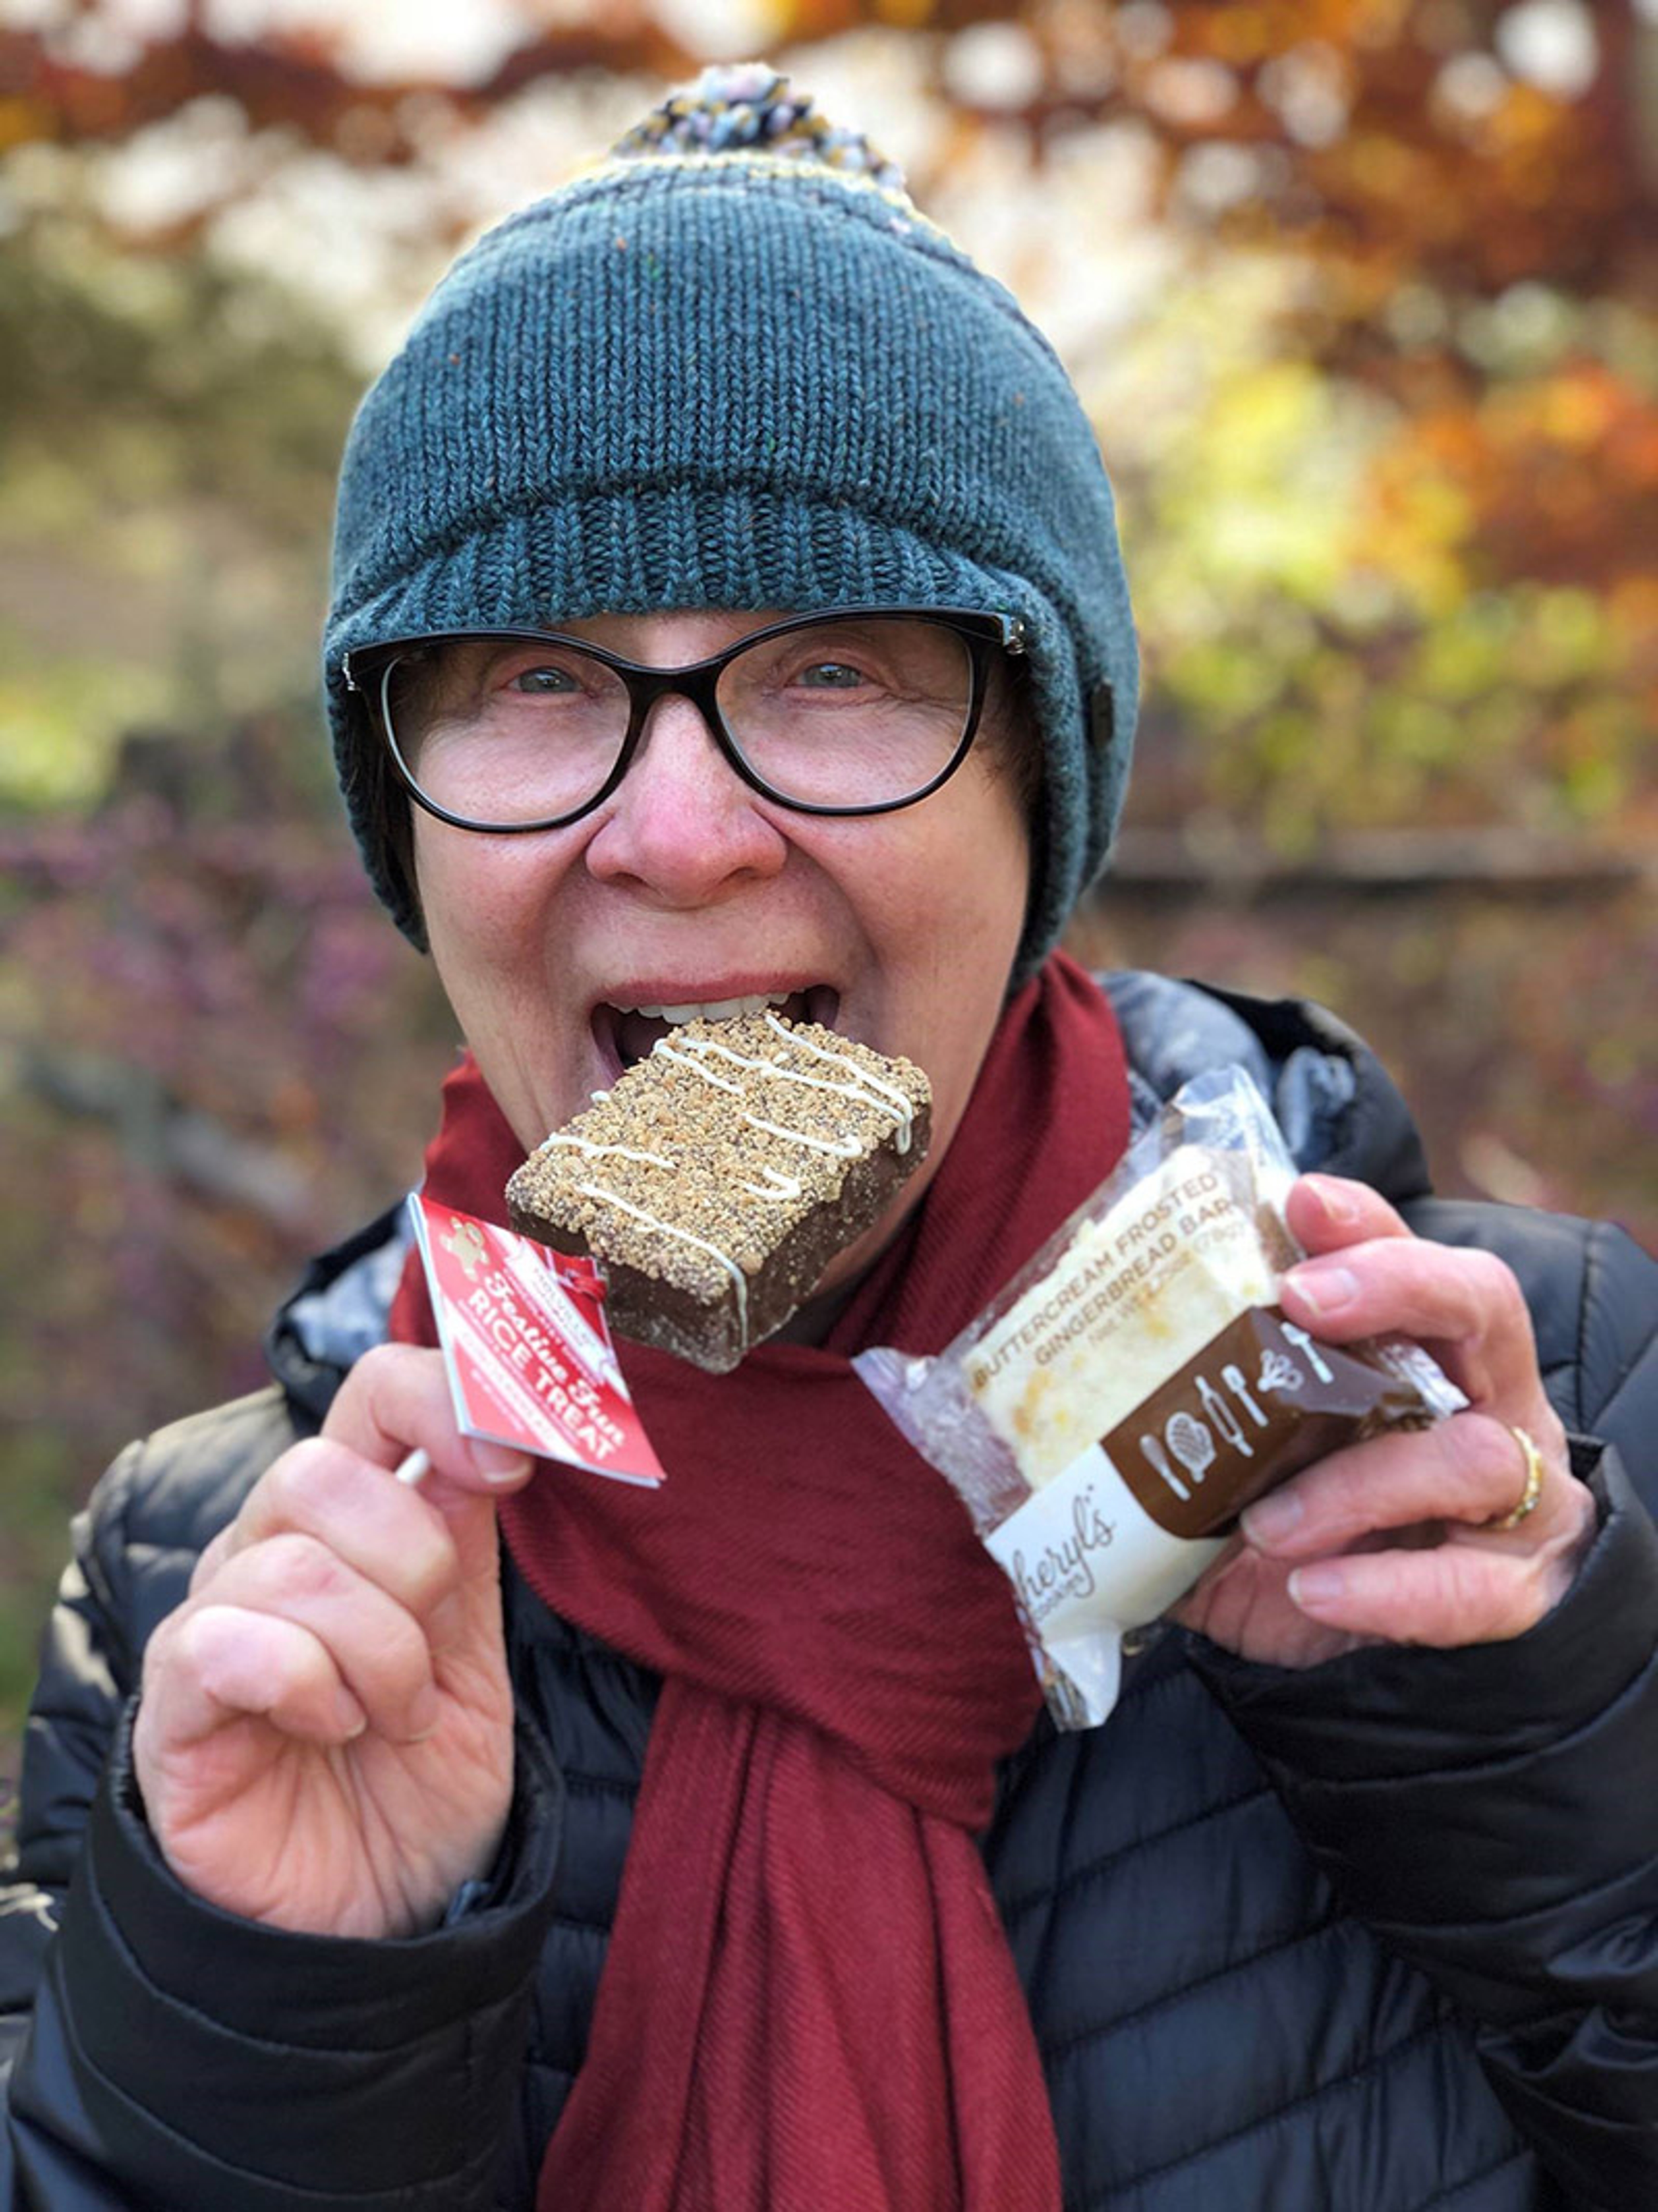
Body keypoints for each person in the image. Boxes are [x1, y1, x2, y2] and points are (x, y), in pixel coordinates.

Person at [3, 61, 1655, 2212]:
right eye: (529, 678)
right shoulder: (215, 1589)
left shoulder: (1529, 1414)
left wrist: (1543, 1747)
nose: (677, 834)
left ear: (1038, 796)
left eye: (836, 671)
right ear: (403, 826)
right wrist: (271, 2025)